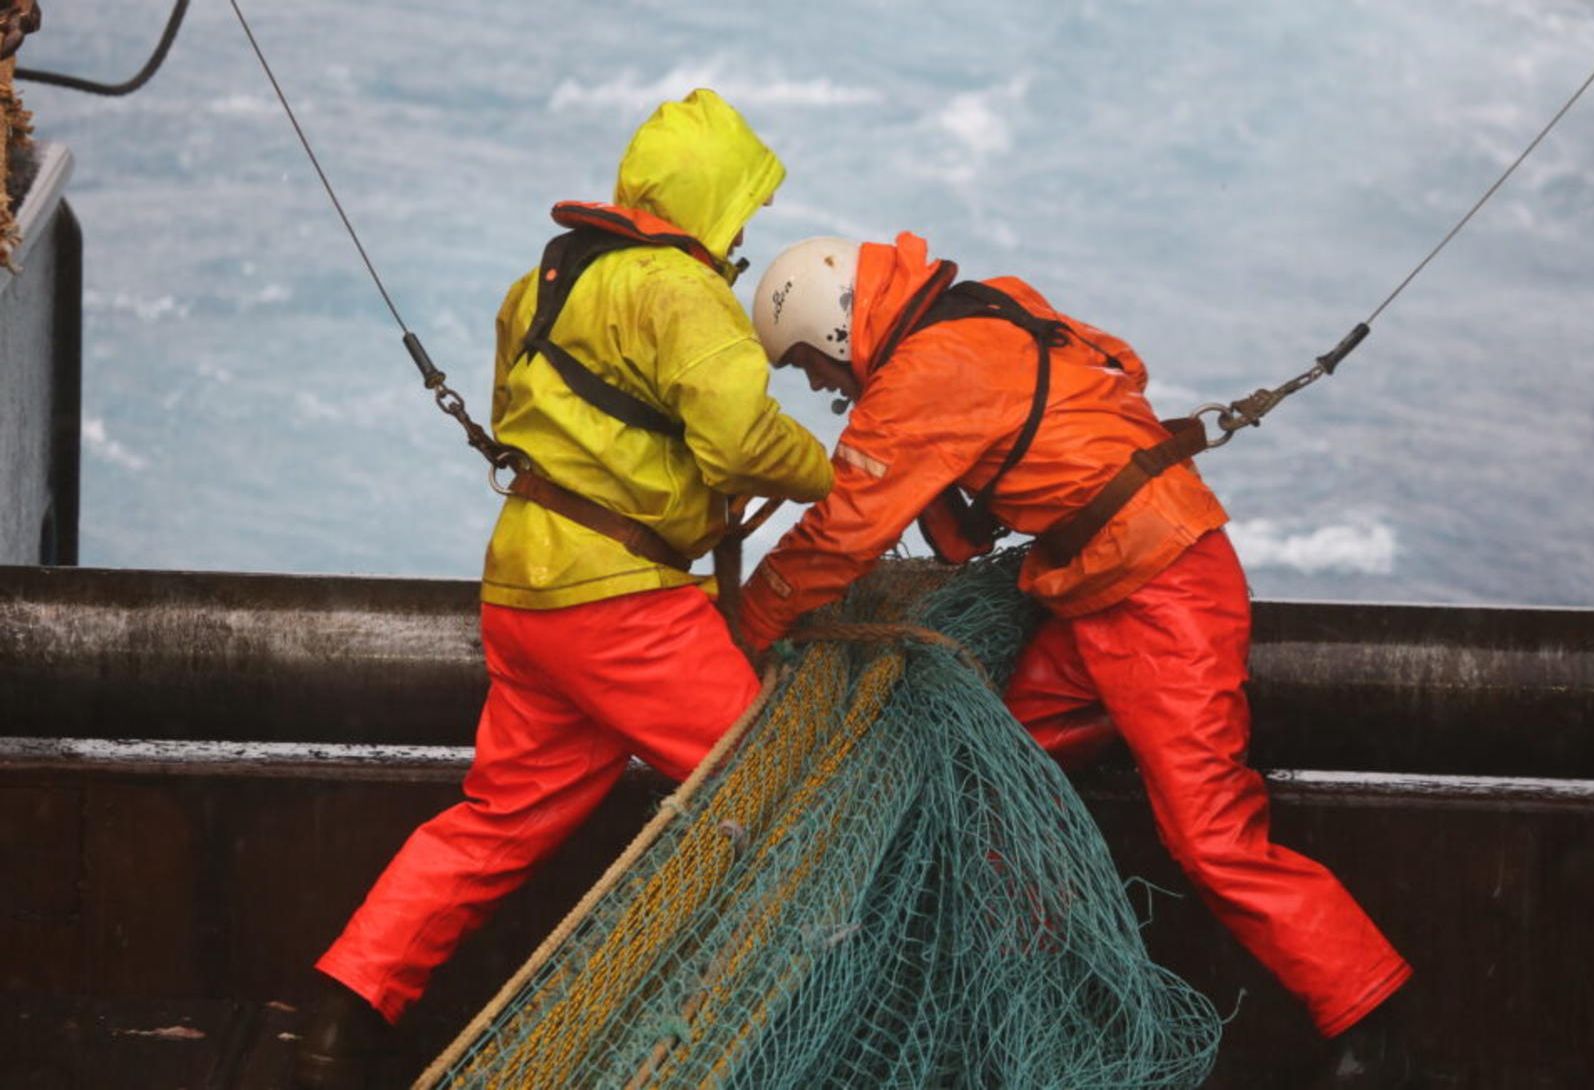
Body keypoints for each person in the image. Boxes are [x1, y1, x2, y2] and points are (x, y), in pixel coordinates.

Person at [737, 233, 1416, 1088]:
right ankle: (1018, 984)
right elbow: (1120, 365)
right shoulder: (991, 300)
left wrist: (746, 622)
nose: (822, 390)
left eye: (809, 368)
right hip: (1102, 582)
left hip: (1161, 593)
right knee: (1009, 771)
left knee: (1211, 836)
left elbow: (838, 536)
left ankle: (1373, 1027)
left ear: (832, 333)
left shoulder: (921, 375)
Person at [294, 89, 833, 1089]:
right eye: (744, 210)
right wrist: (829, 473)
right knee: (776, 791)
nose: (746, 232)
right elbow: (735, 439)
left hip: (526, 593)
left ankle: (338, 1019)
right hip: (623, 606)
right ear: (712, 202)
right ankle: (748, 1029)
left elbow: (532, 421)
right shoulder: (685, 294)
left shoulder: (536, 285)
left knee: (492, 822)